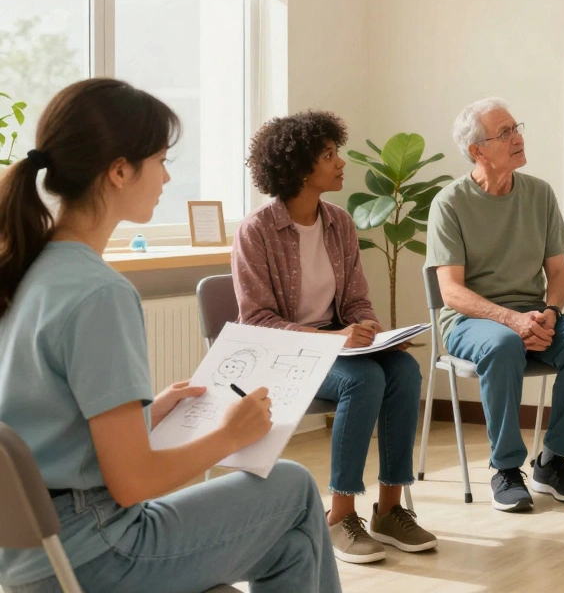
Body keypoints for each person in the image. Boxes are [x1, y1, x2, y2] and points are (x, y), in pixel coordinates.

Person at [0, 79, 340, 592]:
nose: (166, 177)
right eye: (160, 160)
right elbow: (133, 483)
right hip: (98, 553)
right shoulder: (100, 293)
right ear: (119, 171)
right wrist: (230, 436)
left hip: (32, 557)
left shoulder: (26, 270)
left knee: (292, 548)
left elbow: (41, 420)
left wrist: (146, 414)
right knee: (291, 483)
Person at [233, 111, 435, 564]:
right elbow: (257, 322)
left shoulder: (339, 223)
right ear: (300, 168)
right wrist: (332, 340)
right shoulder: (256, 231)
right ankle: (339, 515)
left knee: (403, 369)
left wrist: (373, 332)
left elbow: (357, 300)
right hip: (285, 352)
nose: (341, 163)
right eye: (329, 155)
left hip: (336, 343)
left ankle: (389, 511)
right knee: (363, 380)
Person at [425, 97, 564, 513]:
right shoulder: (449, 203)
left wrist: (550, 313)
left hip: (533, 313)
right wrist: (510, 320)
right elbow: (451, 292)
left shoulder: (539, 194)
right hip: (470, 321)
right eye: (504, 133)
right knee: (504, 344)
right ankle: (505, 468)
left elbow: (558, 273)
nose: (517, 138)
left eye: (515, 128)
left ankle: (552, 461)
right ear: (477, 150)